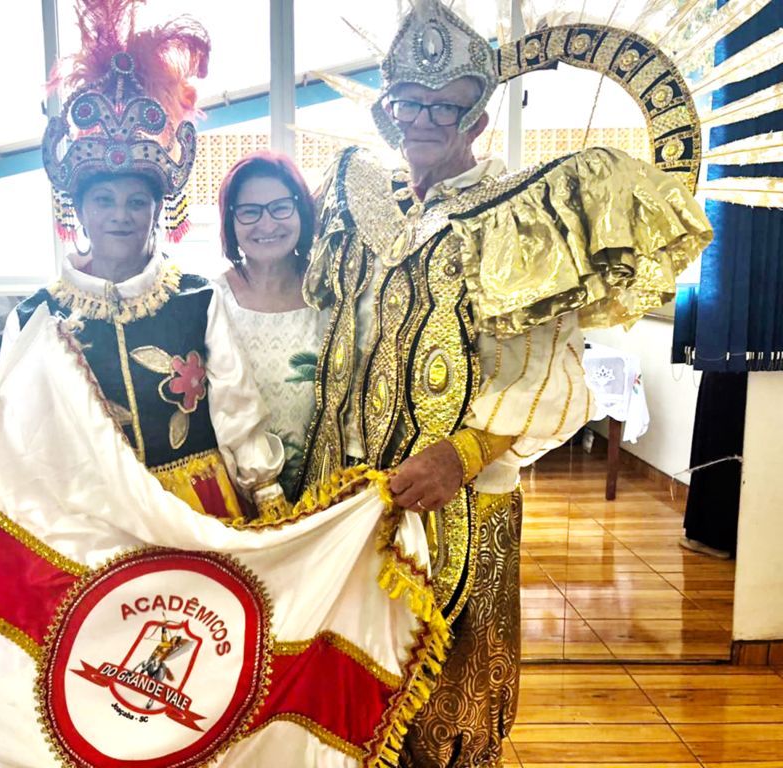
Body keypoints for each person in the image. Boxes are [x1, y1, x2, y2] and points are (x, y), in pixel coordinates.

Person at [297, 2, 713, 765]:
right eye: (410, 103)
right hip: (352, 494)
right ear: (389, 111)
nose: (424, 119)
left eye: (445, 106)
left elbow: (552, 380)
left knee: (447, 700)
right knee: (345, 680)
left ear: (478, 120)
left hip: (461, 501)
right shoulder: (362, 203)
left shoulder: (520, 218)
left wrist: (461, 452)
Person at [0, 4, 285, 522]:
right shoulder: (37, 315)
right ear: (78, 209)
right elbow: (15, 422)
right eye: (104, 201)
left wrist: (268, 498)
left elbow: (236, 409)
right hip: (92, 517)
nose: (120, 216)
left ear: (158, 210)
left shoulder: (197, 298)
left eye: (136, 201)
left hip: (196, 514)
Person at [214, 151, 321, 500]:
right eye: (249, 211)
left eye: (280, 207)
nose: (267, 224)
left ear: (300, 210)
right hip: (236, 497)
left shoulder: (331, 294)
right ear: (231, 221)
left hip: (324, 492)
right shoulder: (210, 300)